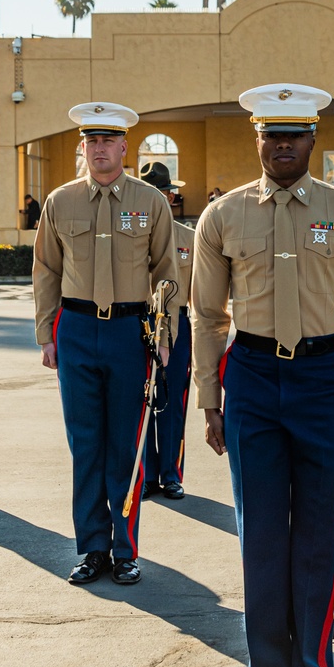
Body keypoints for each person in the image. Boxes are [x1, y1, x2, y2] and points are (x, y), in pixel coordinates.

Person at [192, 82, 334, 667]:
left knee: (318, 533)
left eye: (294, 134)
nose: (283, 145)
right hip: (250, 377)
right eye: (271, 134)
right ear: (257, 138)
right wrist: (209, 397)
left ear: (312, 139)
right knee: (260, 535)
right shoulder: (223, 216)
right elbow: (205, 314)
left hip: (324, 379)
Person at [33, 103, 180, 588]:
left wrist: (163, 338)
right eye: (91, 142)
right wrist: (46, 334)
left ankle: (125, 549)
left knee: (126, 447)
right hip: (75, 330)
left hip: (128, 333)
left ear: (124, 148)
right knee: (85, 446)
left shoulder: (150, 202)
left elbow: (166, 274)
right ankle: (92, 547)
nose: (99, 149)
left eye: (108, 141)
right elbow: (46, 272)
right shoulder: (60, 201)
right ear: (84, 148)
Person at [140, 161, 193, 501]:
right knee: (141, 401)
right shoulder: (131, 235)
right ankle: (145, 474)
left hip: (179, 325)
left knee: (173, 402)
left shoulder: (191, 238)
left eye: (162, 193)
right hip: (140, 323)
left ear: (172, 197)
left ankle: (171, 473)